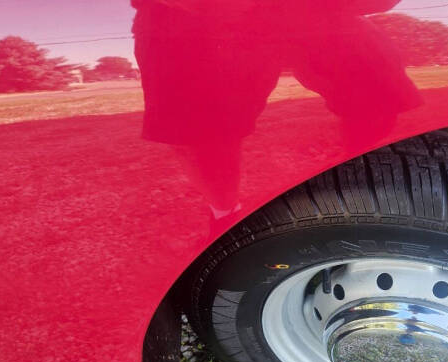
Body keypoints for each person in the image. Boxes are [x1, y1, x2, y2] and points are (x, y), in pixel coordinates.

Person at [131, 0, 422, 219]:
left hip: (308, 8)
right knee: (197, 131)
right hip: (194, 10)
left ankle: (352, 186)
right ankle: (225, 214)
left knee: (376, 89)